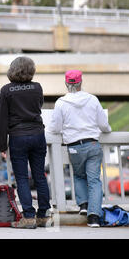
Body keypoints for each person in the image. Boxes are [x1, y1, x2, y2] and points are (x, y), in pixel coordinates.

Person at [48, 70, 111, 228]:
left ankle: (83, 205)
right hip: (93, 144)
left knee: (79, 176)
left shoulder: (61, 103)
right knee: (94, 180)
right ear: (81, 82)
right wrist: (108, 130)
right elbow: (103, 124)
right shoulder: (92, 99)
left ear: (66, 83)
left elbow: (55, 127)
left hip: (74, 146)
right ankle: (94, 217)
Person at [0, 56, 51, 229]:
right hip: (37, 134)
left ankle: (28, 217)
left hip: (18, 136)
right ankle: (43, 215)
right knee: (40, 176)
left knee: (21, 178)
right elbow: (39, 105)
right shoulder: (37, 87)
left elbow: (2, 120)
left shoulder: (6, 90)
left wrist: (2, 145)